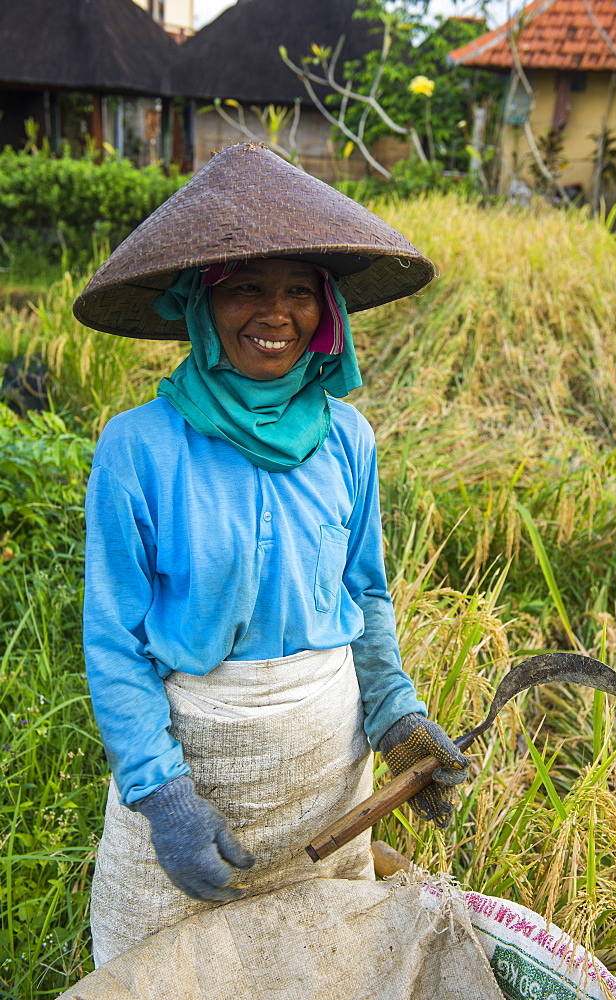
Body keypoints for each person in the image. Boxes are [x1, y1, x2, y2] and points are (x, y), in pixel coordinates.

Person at [75, 143, 470, 967]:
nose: (275, 312)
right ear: (197, 303)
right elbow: (113, 639)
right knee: (158, 967)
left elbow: (363, 592)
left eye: (298, 289)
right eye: (245, 287)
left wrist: (394, 712)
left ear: (326, 310)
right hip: (197, 756)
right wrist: (163, 796)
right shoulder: (138, 447)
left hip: (324, 754)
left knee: (322, 961)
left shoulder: (348, 438)